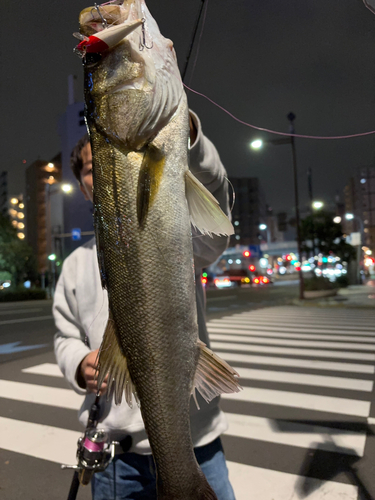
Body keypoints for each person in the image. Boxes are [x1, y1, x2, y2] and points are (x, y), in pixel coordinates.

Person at [53, 110, 236, 500]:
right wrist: (76, 362)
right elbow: (65, 334)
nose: (99, 171)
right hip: (118, 452)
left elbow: (215, 214)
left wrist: (189, 140)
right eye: (89, 168)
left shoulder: (174, 229)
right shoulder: (74, 265)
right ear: (84, 186)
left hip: (199, 442)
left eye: (105, 157)